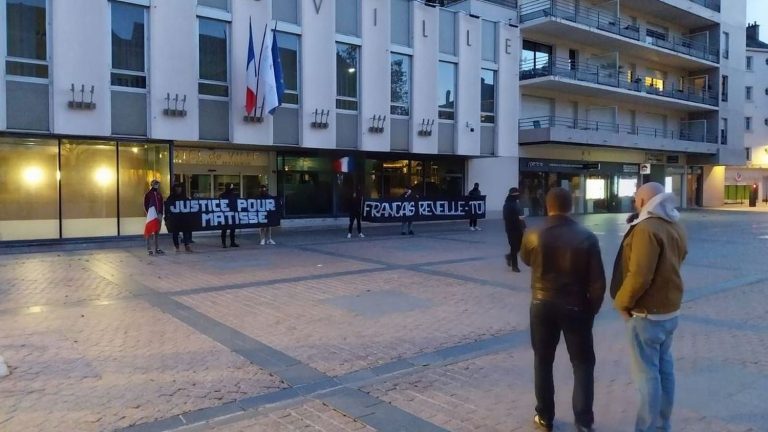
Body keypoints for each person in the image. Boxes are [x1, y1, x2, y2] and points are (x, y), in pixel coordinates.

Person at [520, 187, 606, 432]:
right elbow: (598, 282)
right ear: (571, 206)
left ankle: (545, 416)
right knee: (582, 363)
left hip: (541, 303)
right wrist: (592, 310)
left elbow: (526, 258)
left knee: (543, 360)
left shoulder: (533, 233)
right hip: (576, 305)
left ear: (548, 206)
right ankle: (583, 421)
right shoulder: (587, 237)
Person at [611, 182, 687, 432]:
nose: (634, 202)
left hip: (647, 314)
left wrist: (622, 302)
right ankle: (663, 424)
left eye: (636, 199)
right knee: (665, 370)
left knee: (647, 376)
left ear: (644, 201)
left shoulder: (646, 229)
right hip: (669, 310)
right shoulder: (673, 225)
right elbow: (682, 255)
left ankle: (647, 427)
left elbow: (639, 275)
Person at [165, 183, 192, 253]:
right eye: (177, 188)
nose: (178, 189)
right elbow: (167, 208)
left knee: (186, 232)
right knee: (175, 233)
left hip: (184, 219)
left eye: (179, 188)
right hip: (174, 220)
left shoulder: (184, 197)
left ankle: (187, 246)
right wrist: (166, 218)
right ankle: (177, 246)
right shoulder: (170, 198)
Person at [502, 187, 525, 272]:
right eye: (516, 194)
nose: (518, 196)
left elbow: (521, 216)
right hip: (511, 229)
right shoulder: (507, 205)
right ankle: (515, 266)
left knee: (520, 246)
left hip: (519, 228)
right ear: (512, 195)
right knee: (514, 246)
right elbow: (506, 217)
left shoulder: (517, 203)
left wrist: (524, 226)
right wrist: (518, 218)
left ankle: (509, 256)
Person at [144, 179, 165, 256]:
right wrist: (149, 213)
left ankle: (157, 248)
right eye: (155, 183)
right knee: (149, 231)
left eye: (157, 183)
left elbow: (161, 204)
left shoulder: (159, 194)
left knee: (157, 232)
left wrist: (161, 213)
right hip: (152, 214)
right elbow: (146, 204)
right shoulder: (148, 194)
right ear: (152, 184)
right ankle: (149, 248)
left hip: (159, 214)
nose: (157, 185)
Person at [219, 183, 239, 248]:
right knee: (224, 229)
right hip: (225, 215)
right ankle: (223, 243)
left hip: (232, 215)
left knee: (232, 229)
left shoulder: (234, 195)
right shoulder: (222, 195)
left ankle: (232, 242)